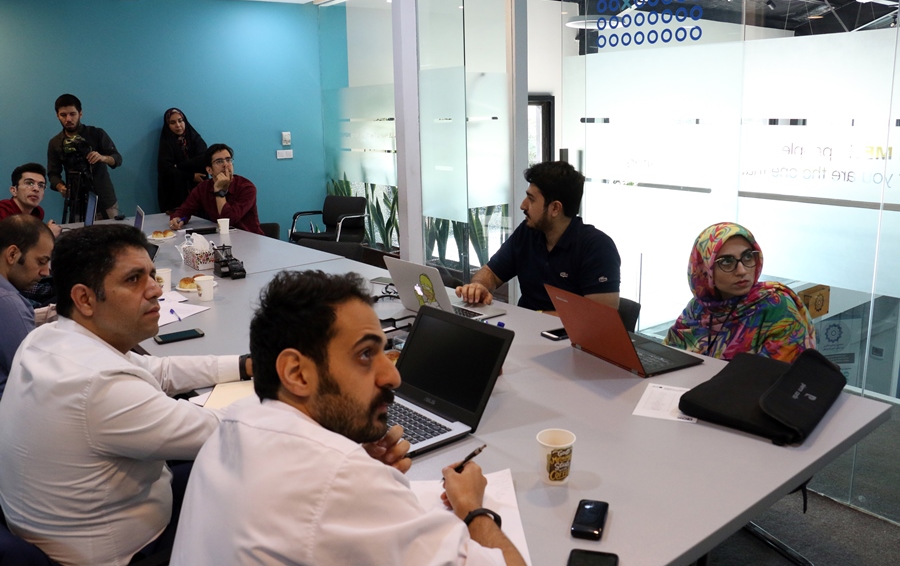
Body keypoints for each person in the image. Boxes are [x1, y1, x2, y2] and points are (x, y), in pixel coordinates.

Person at [170, 270, 525, 566]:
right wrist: (471, 507)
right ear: (296, 372)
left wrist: (357, 466)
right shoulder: (340, 479)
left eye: (384, 351)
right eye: (365, 354)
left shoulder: (236, 420)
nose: (393, 377)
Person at [0, 224, 251, 566]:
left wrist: (243, 365)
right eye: (134, 279)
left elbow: (159, 370)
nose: (156, 290)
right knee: (252, 470)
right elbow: (228, 432)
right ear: (84, 299)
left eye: (151, 275)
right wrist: (285, 391)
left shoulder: (46, 338)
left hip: (62, 528)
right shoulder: (102, 386)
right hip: (127, 551)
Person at [456, 161, 621, 314]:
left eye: (531, 199)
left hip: (566, 335)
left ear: (555, 208)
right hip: (524, 328)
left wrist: (534, 317)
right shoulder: (528, 232)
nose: (523, 205)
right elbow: (491, 272)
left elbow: (600, 317)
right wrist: (479, 286)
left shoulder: (597, 247)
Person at [664, 222, 816, 363]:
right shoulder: (698, 308)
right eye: (726, 261)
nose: (742, 271)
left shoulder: (775, 304)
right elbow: (667, 356)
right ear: (705, 271)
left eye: (748, 257)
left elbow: (776, 375)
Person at [0, 215, 53, 398]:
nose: (45, 272)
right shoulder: (8, 303)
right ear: (12, 255)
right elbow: (34, 380)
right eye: (41, 261)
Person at [47, 93, 123, 221]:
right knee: (79, 233)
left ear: (80, 113)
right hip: (77, 202)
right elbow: (52, 173)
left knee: (112, 233)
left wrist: (102, 158)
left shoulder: (96, 134)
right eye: (63, 115)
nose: (68, 119)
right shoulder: (55, 142)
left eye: (72, 114)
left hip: (104, 199)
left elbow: (117, 159)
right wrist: (61, 187)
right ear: (57, 116)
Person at [168, 143, 264, 235]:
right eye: (219, 161)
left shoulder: (246, 188)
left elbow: (228, 221)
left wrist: (219, 191)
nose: (226, 165)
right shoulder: (203, 188)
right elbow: (185, 210)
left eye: (228, 160)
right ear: (209, 170)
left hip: (248, 239)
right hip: (220, 238)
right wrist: (178, 218)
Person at [157, 107, 208, 213]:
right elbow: (166, 170)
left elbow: (203, 159)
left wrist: (179, 166)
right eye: (172, 122)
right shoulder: (167, 143)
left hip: (198, 190)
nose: (178, 125)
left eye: (180, 121)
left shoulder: (195, 138)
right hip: (175, 194)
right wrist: (191, 176)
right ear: (168, 125)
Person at [0, 163, 62, 236]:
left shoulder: (38, 212)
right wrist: (48, 234)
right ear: (14, 190)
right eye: (29, 183)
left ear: (43, 195)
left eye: (41, 186)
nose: (36, 189)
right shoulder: (2, 211)